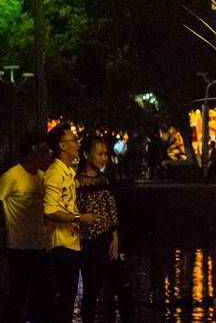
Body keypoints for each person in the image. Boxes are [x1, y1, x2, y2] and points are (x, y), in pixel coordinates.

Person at [0, 132, 52, 322]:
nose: (48, 153)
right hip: (17, 246)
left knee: (41, 293)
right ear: (33, 149)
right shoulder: (12, 176)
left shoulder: (42, 177)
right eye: (44, 149)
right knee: (19, 291)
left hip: (40, 245)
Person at [43, 125, 99, 323]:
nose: (77, 144)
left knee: (68, 297)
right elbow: (49, 211)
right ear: (62, 145)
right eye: (73, 140)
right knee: (64, 298)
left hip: (72, 242)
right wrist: (79, 218)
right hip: (60, 245)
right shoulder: (55, 173)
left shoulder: (67, 172)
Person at [76, 135, 134, 322]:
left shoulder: (104, 179)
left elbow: (111, 209)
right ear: (86, 154)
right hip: (89, 244)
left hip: (108, 241)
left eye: (106, 154)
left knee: (124, 289)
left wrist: (115, 237)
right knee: (92, 291)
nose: (104, 158)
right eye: (99, 154)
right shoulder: (77, 183)